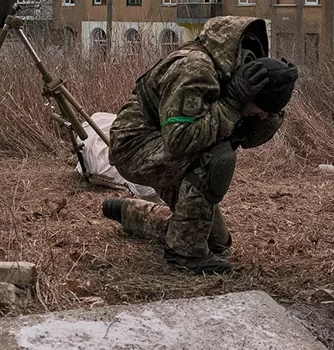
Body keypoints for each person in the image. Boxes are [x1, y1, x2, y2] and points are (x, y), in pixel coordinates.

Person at [104, 16, 298, 275]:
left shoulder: (236, 71)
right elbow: (180, 139)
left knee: (217, 243)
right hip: (135, 144)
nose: (261, 116)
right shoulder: (196, 69)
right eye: (260, 110)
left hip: (165, 144)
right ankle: (185, 254)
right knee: (216, 157)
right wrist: (231, 103)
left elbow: (243, 138)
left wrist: (262, 113)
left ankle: (129, 212)